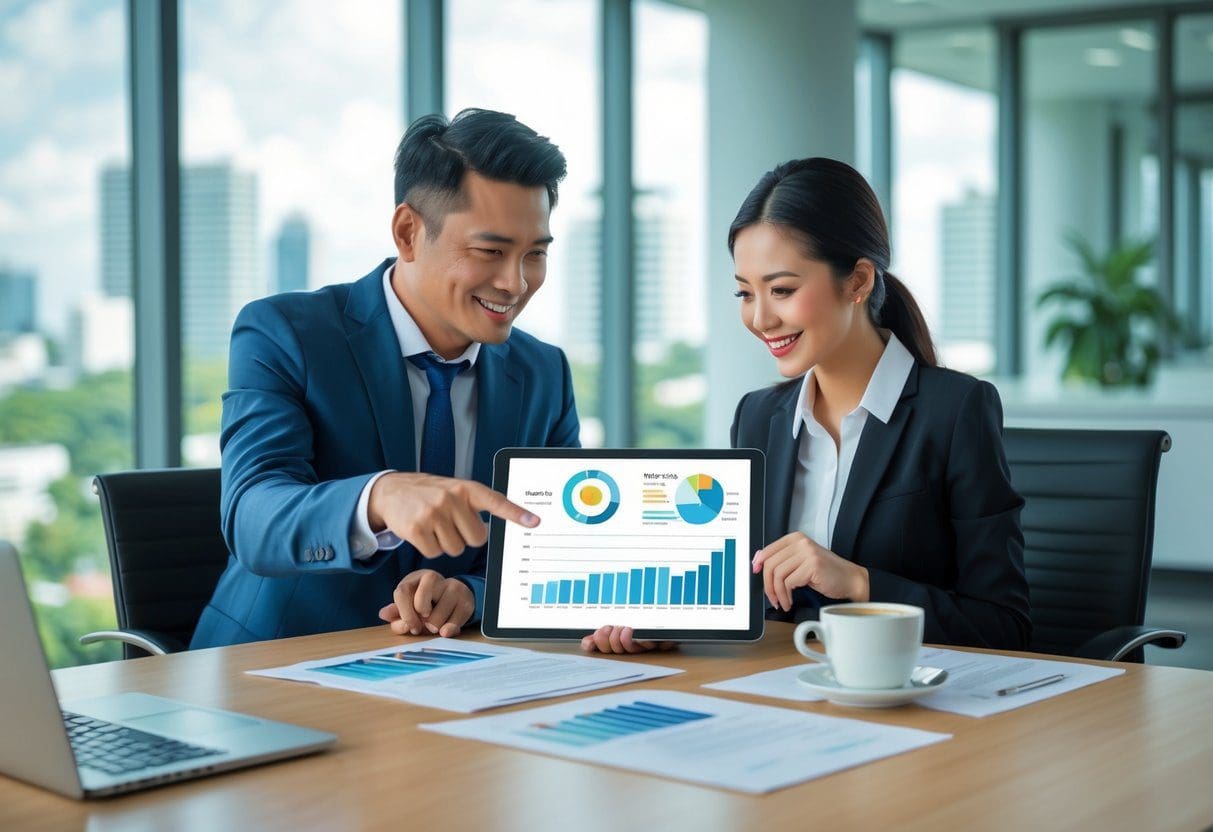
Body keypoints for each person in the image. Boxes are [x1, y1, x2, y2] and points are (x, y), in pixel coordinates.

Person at [583, 157, 1029, 654]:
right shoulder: (758, 416)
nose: (759, 317)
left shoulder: (955, 411)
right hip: (783, 691)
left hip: (907, 700)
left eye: (782, 290)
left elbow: (1003, 626)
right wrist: (675, 624)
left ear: (858, 281)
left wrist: (859, 584)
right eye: (745, 293)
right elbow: (758, 598)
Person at [191, 108, 580, 649]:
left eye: (535, 254)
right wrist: (378, 498)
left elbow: (551, 551)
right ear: (408, 232)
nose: (516, 283)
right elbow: (252, 515)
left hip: (460, 672)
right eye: (491, 251)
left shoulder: (543, 374)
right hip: (277, 664)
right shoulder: (286, 333)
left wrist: (472, 592)